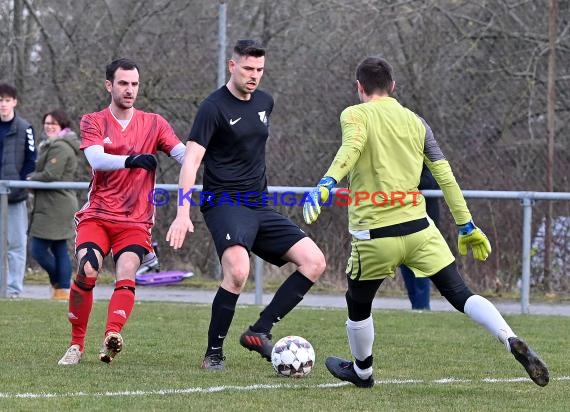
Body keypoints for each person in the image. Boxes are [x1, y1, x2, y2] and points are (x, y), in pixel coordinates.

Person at [303, 56, 549, 388]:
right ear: (393, 87)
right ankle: (508, 337)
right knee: (459, 292)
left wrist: (326, 183)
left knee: (357, 301)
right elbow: (445, 175)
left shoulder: (354, 113)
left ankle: (362, 372)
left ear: (359, 87)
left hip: (375, 235)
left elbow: (352, 146)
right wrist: (466, 225)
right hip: (420, 229)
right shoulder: (417, 122)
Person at [166, 39, 326, 371]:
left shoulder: (265, 102)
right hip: (223, 202)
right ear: (232, 66)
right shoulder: (213, 107)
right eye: (248, 69)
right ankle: (213, 353)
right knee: (238, 272)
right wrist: (183, 211)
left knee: (314, 261)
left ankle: (259, 331)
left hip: (259, 204)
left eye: (260, 70)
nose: (254, 76)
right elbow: (192, 160)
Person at [57, 58, 186, 365]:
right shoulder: (93, 120)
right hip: (98, 216)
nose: (130, 90)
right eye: (124, 83)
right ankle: (76, 345)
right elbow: (97, 160)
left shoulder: (155, 123)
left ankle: (111, 336)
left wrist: (207, 151)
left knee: (126, 271)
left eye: (134, 84)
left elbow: (183, 155)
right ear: (109, 85)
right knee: (87, 270)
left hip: (135, 220)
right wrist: (131, 160)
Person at [28, 109, 80, 300]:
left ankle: (59, 283)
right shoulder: (51, 144)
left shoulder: (61, 147)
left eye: (54, 124)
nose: (49, 126)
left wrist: (30, 179)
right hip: (51, 203)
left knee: (38, 250)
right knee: (59, 248)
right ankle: (63, 291)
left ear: (62, 127)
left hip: (56, 205)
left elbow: (51, 174)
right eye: (47, 123)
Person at [0, 83, 36, 299]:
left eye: (7, 100)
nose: (3, 104)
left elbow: (31, 161)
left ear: (14, 102)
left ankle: (13, 290)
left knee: (16, 245)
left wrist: (20, 183)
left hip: (15, 197)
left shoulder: (25, 127)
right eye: (0, 100)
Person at [399, 164, 440, 310]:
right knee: (405, 267)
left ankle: (422, 307)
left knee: (420, 268)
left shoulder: (425, 159)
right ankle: (416, 308)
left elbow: (429, 182)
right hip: (400, 220)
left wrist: (402, 180)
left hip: (423, 223)